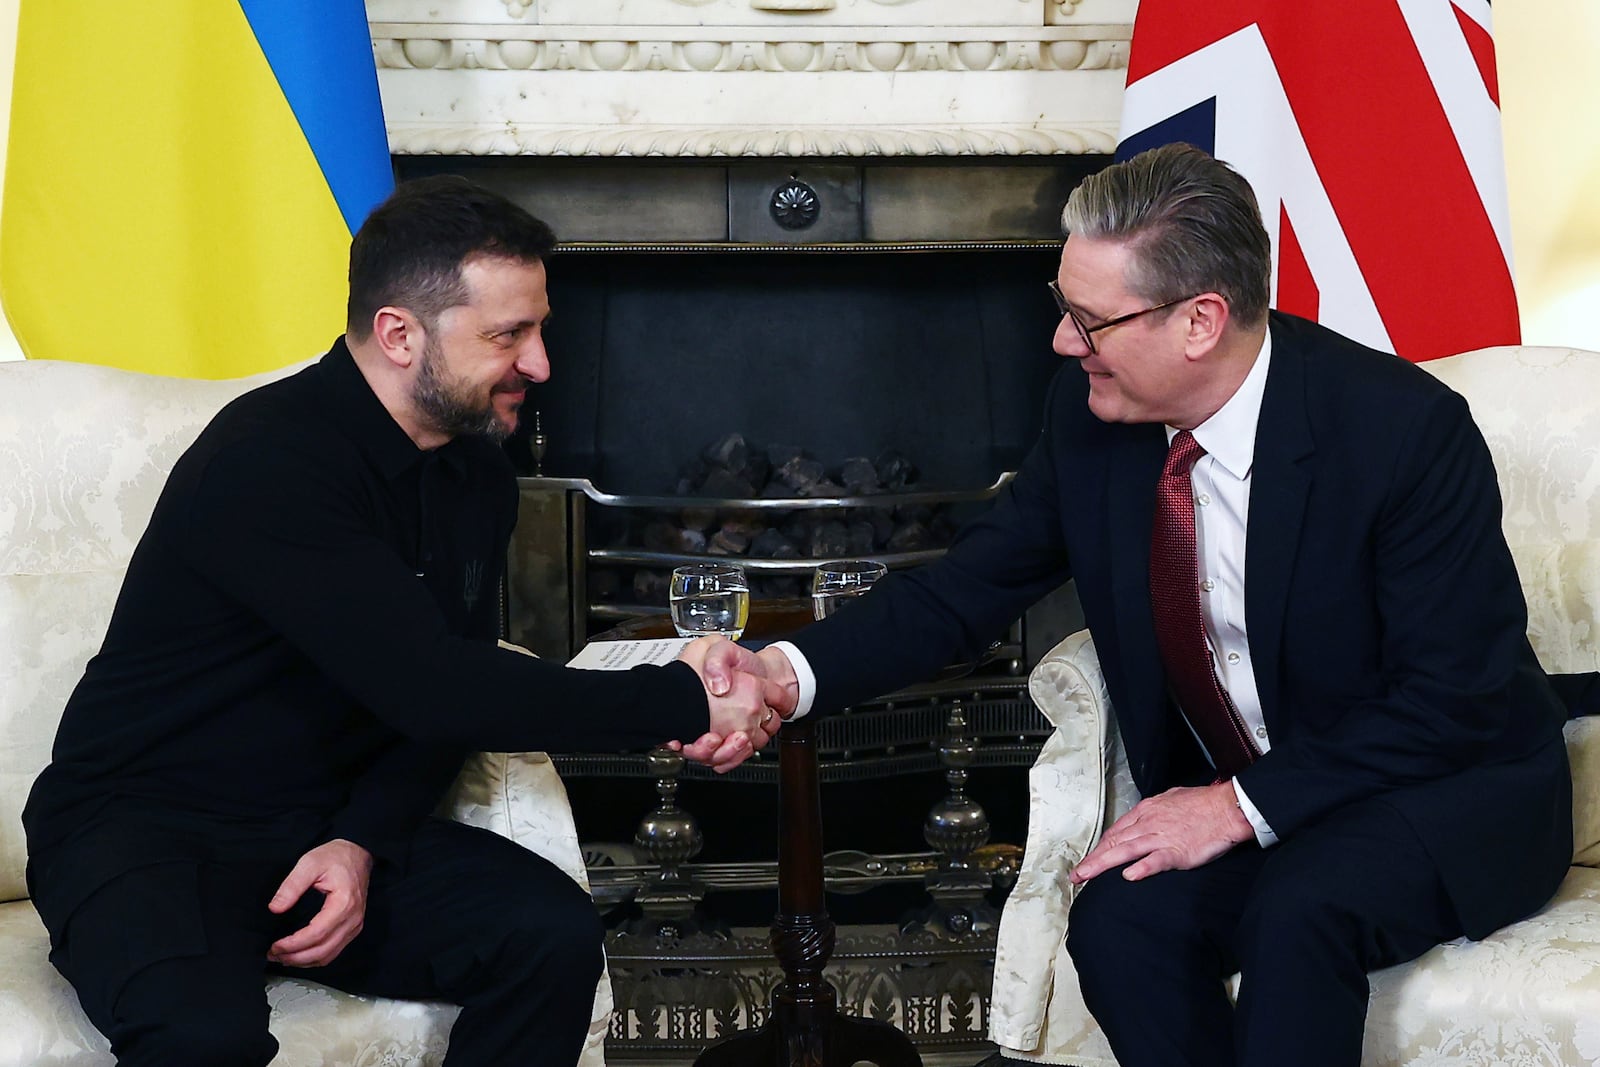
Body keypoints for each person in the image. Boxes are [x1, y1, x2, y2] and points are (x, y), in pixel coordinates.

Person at [699, 143, 1573, 1066]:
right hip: (1273, 802)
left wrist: (1235, 807)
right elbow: (965, 589)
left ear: (1201, 320)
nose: (1063, 342)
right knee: (1120, 921)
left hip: (1442, 791)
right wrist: (784, 673)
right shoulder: (1090, 420)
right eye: (1061, 307)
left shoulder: (1402, 432)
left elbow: (1453, 700)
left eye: (1089, 320)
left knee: (1299, 908)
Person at [22, 175, 772, 1067]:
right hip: (143, 830)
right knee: (201, 1037)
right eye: (507, 334)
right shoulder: (269, 462)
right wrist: (683, 700)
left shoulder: (478, 476)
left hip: (316, 830)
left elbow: (438, 695)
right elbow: (436, 686)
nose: (539, 365)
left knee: (549, 935)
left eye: (539, 329)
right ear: (398, 333)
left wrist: (361, 839)